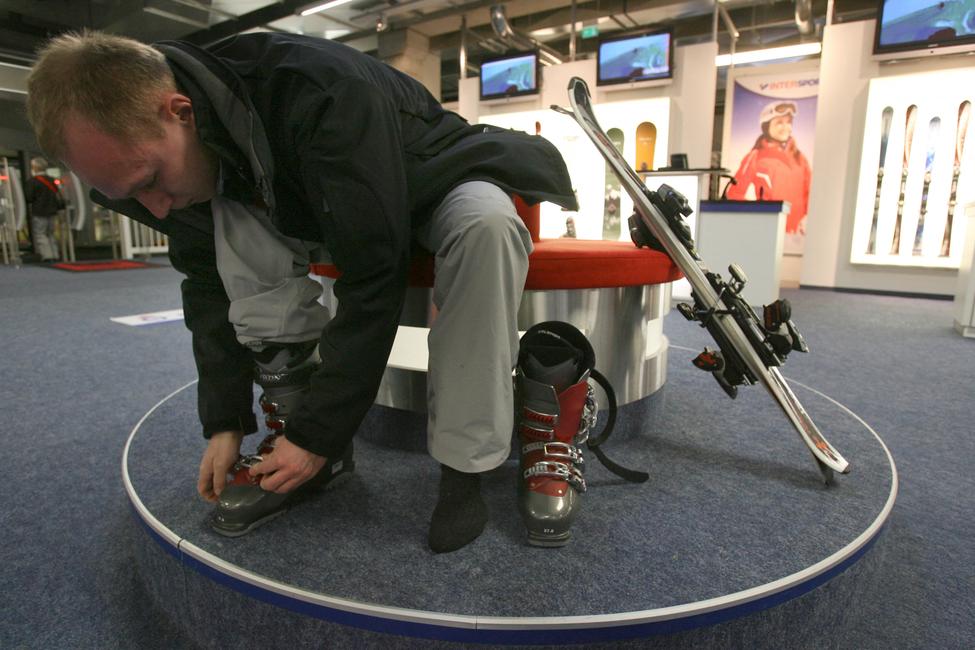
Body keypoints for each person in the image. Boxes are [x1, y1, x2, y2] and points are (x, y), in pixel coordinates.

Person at [26, 31, 577, 552]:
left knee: (489, 230)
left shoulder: (319, 88)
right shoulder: (172, 157)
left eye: (148, 181)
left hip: (434, 176)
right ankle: (307, 438)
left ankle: (466, 469)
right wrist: (225, 420)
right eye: (127, 196)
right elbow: (206, 283)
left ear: (180, 112)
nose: (156, 209)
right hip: (322, 201)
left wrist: (319, 433)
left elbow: (372, 273)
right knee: (230, 227)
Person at [726, 100, 812, 235]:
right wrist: (758, 215)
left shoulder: (800, 158)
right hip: (768, 236)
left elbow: (810, 193)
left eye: (789, 122)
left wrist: (808, 218)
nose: (786, 127)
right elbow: (734, 194)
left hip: (797, 239)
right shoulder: (755, 156)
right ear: (766, 126)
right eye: (779, 122)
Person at [23, 157, 63, 262]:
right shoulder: (52, 180)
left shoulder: (32, 182)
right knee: (51, 234)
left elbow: (29, 197)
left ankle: (47, 255)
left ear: (34, 168)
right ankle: (55, 254)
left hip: (39, 212)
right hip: (53, 211)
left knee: (40, 234)